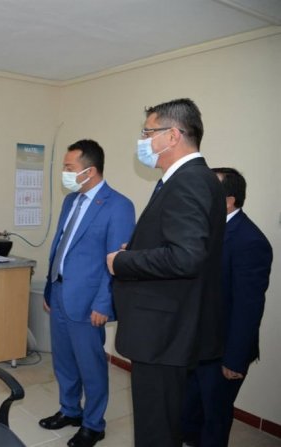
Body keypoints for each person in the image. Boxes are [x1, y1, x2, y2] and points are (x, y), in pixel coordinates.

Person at [106, 98, 226, 447]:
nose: (142, 141)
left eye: (147, 133)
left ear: (173, 135)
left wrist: (122, 262)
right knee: (163, 421)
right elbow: (182, 246)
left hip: (163, 332)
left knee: (155, 429)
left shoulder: (188, 181)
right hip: (170, 327)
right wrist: (138, 250)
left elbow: (186, 257)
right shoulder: (194, 179)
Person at [40, 140, 135, 447]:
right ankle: (70, 410)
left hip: (88, 301)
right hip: (60, 292)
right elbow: (60, 246)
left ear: (90, 171)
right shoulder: (71, 200)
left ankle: (94, 424)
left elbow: (116, 260)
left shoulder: (118, 206)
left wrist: (104, 303)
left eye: (69, 168)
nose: (64, 173)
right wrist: (49, 286)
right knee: (64, 361)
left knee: (90, 365)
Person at [182, 167, 273, 447]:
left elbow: (248, 307)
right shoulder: (202, 230)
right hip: (195, 345)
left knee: (215, 419)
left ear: (229, 200)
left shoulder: (250, 241)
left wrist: (234, 359)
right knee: (188, 414)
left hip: (223, 353)